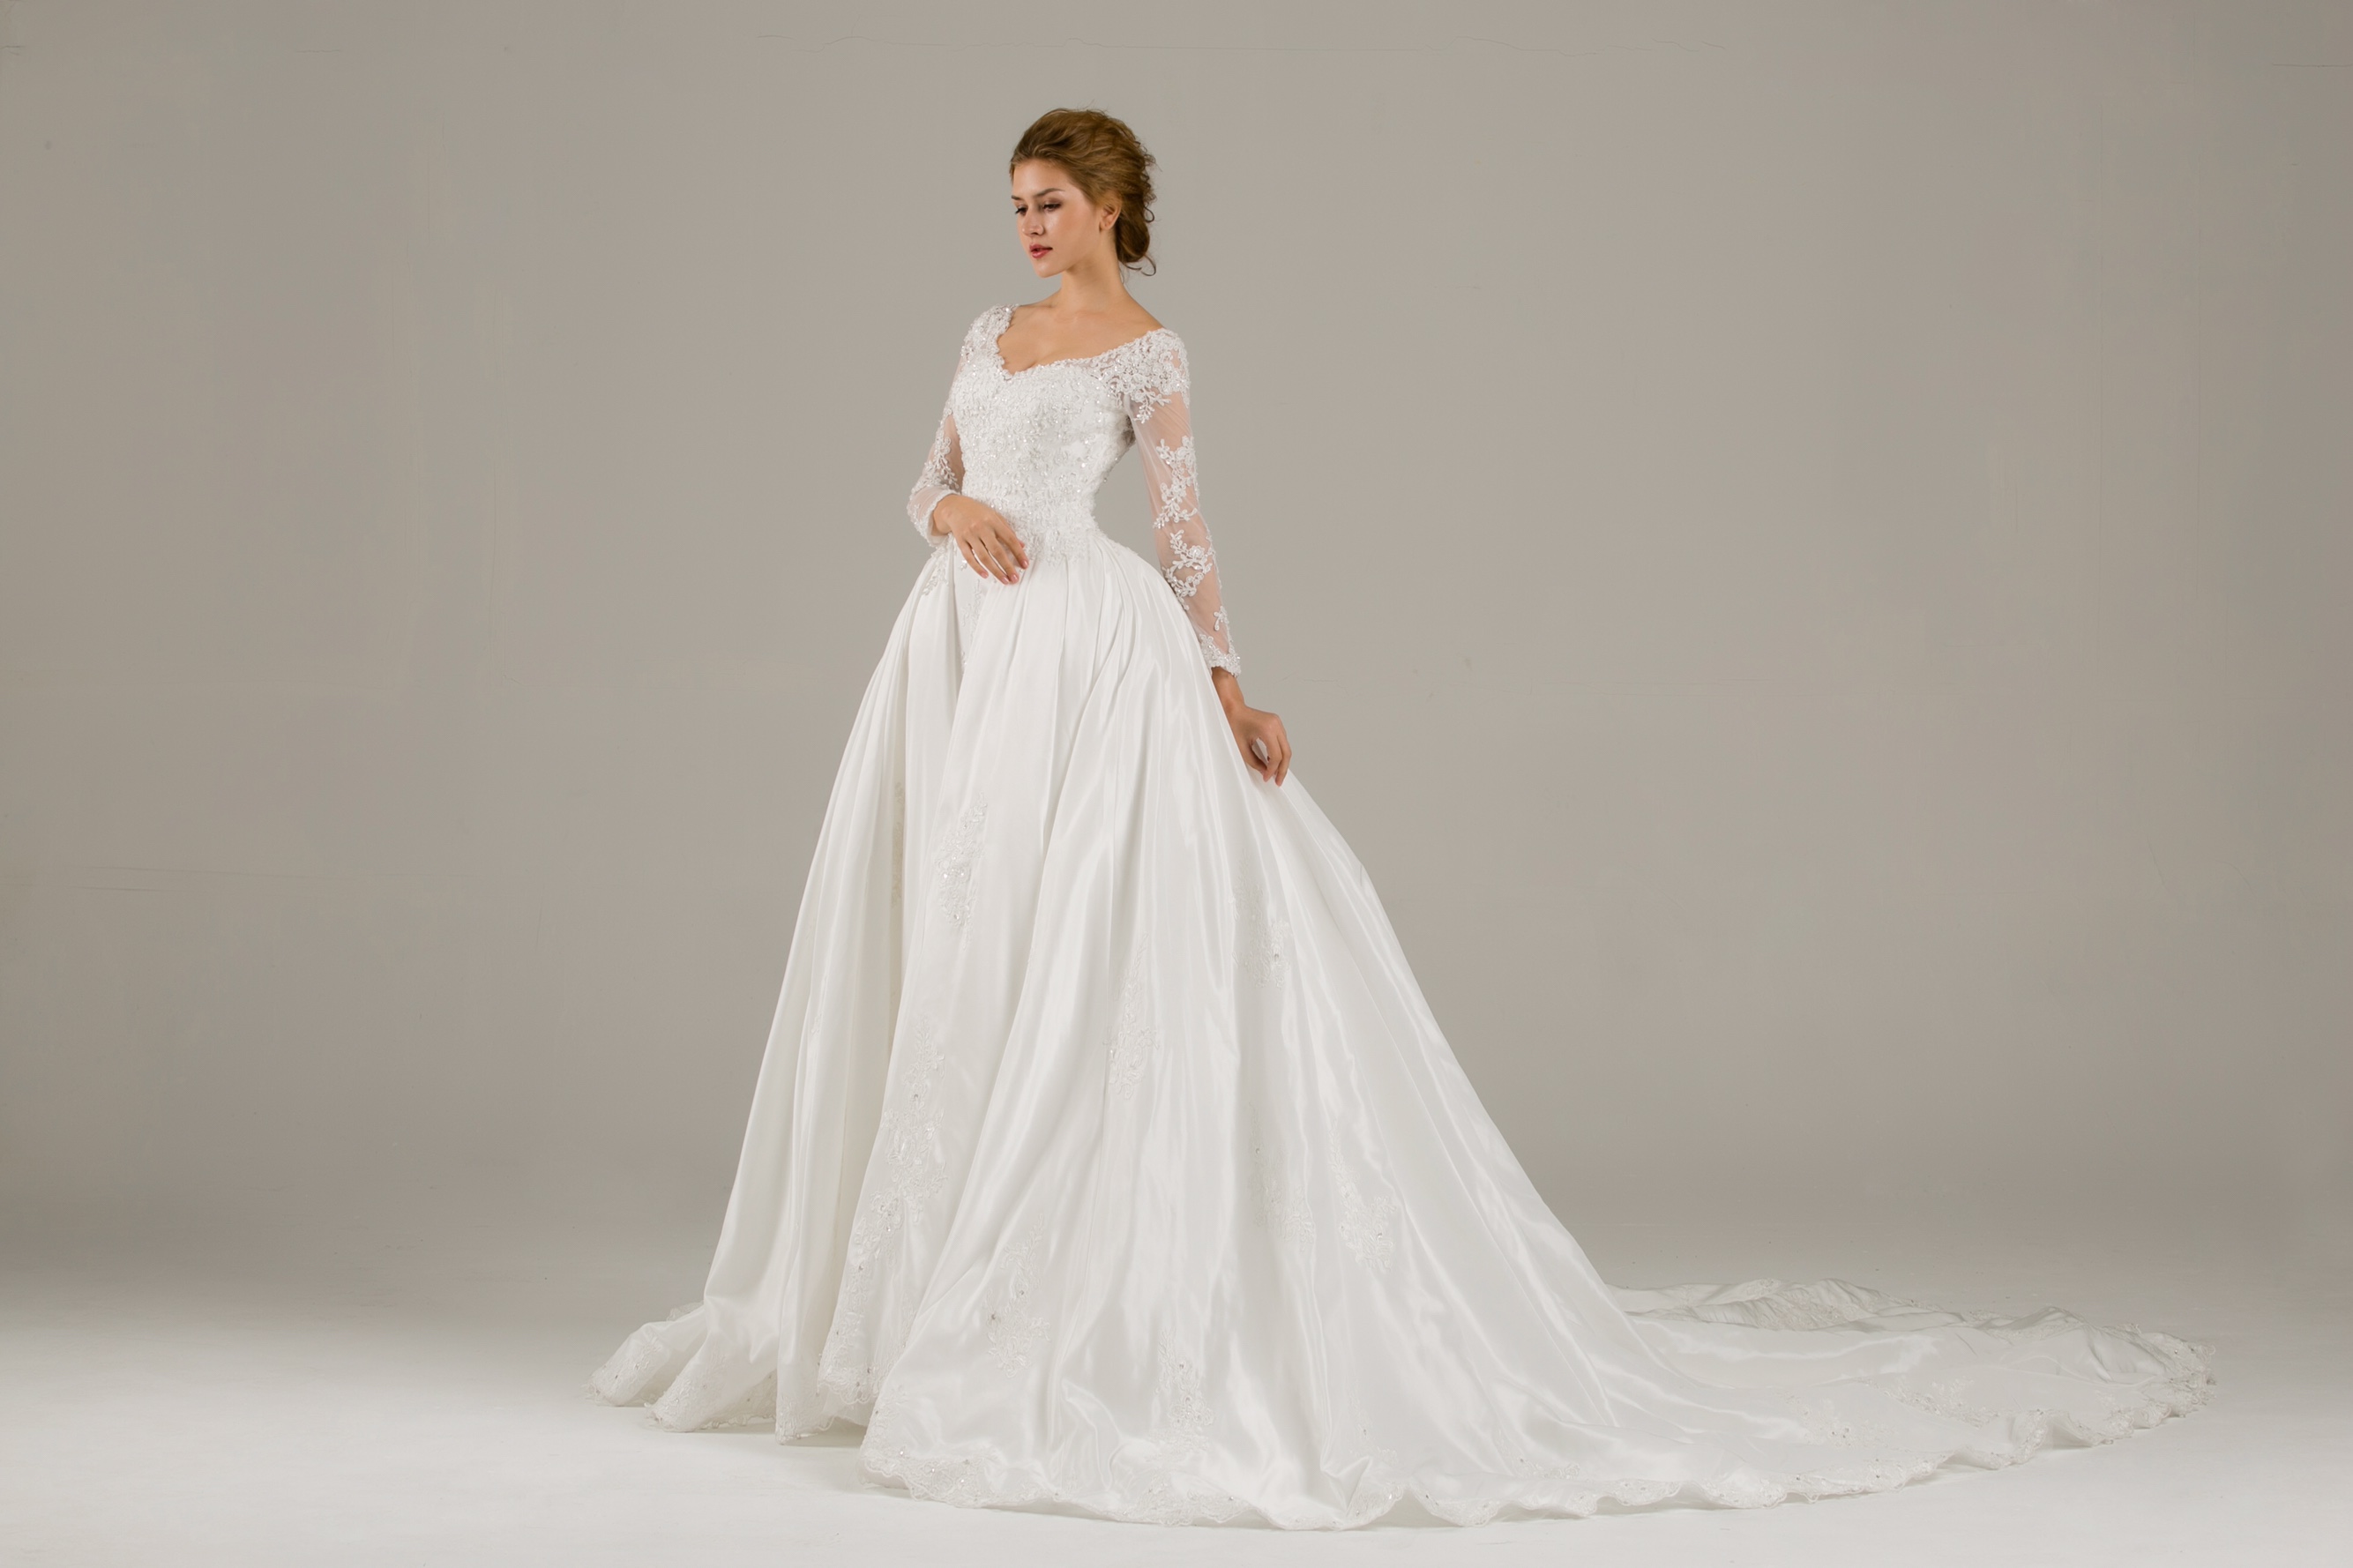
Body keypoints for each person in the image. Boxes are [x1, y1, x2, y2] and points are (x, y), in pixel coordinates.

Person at [591, 108, 2209, 1529]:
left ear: (1108, 206)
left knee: (1074, 952)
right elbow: (922, 483)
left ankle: (1046, 1309)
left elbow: (1184, 531)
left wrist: (1229, 687)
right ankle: (909, 1301)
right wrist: (949, 507)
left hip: (1087, 651)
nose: (1026, 224)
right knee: (957, 939)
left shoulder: (1147, 351)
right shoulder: (984, 330)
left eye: (1050, 201)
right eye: (1014, 202)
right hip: (957, 655)